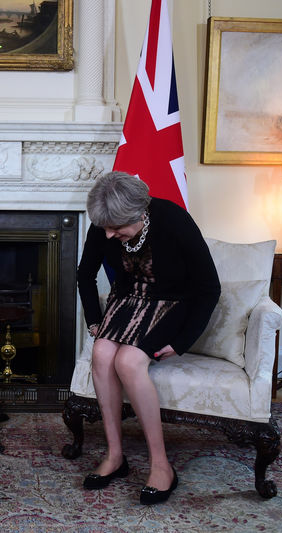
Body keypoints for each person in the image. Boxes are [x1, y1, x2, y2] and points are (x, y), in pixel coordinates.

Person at [76, 172, 220, 505]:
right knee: (101, 353)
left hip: (171, 303)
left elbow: (209, 288)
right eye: (105, 228)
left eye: (116, 228)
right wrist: (94, 321)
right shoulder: (107, 223)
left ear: (139, 214)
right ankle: (115, 456)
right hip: (127, 300)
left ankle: (161, 465)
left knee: (128, 361)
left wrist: (184, 340)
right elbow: (85, 274)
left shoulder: (173, 220)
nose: (108, 234)